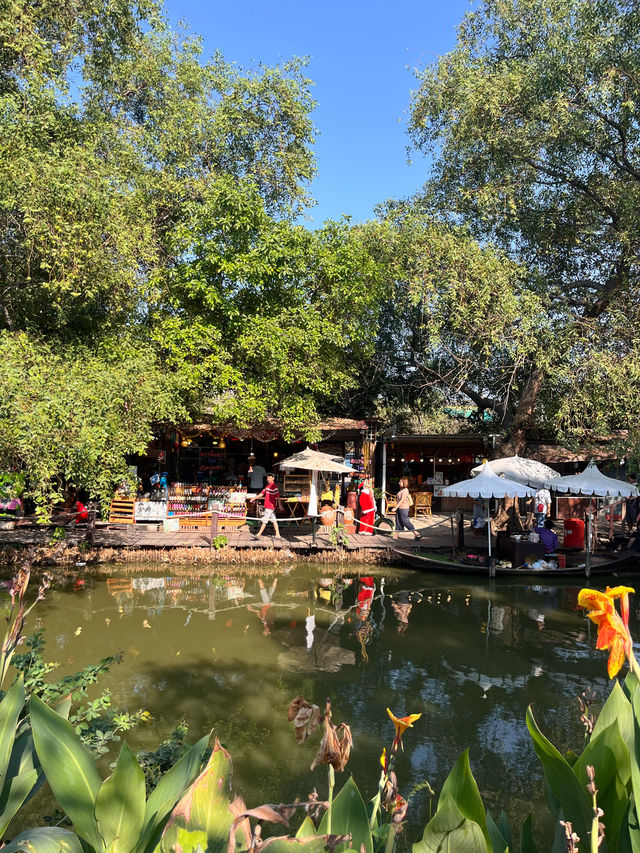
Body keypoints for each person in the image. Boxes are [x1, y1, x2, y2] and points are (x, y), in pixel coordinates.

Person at [254, 474, 283, 538]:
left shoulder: (274, 487)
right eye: (267, 478)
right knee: (274, 520)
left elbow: (277, 496)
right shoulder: (267, 486)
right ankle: (278, 534)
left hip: (270, 506)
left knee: (265, 520)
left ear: (273, 478)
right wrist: (254, 498)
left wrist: (279, 505)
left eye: (269, 478)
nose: (268, 479)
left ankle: (258, 534)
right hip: (268, 505)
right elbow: (262, 493)